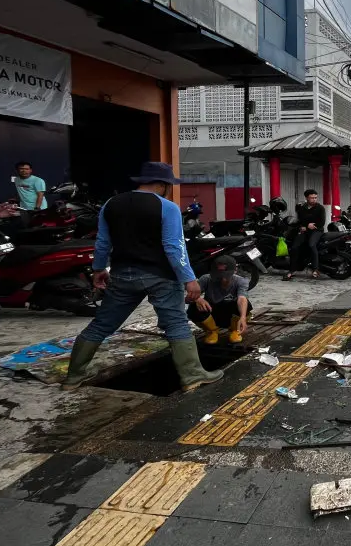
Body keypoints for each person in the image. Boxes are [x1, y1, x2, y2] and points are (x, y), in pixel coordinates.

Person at [63, 162, 221, 392]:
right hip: (162, 276)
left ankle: (72, 379)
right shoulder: (167, 207)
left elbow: (102, 242)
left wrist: (98, 270)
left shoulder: (111, 204)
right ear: (163, 185)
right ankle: (192, 376)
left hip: (122, 275)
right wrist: (189, 278)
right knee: (176, 324)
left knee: (101, 325)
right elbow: (174, 247)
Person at [188, 255, 252, 344]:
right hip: (212, 315)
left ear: (235, 270)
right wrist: (198, 299)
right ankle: (212, 331)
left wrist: (243, 317)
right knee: (193, 307)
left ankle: (235, 330)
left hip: (230, 317)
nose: (222, 278)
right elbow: (188, 297)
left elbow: (242, 298)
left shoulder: (241, 281)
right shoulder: (206, 279)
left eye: (226, 274)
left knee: (246, 304)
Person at [285, 189, 326, 281]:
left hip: (317, 231)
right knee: (294, 247)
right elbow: (299, 221)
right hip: (304, 231)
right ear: (307, 198)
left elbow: (321, 222)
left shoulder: (320, 208)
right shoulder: (302, 208)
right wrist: (301, 227)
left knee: (312, 245)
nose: (314, 199)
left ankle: (315, 269)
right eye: (312, 198)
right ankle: (292, 270)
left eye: (315, 198)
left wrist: (311, 226)